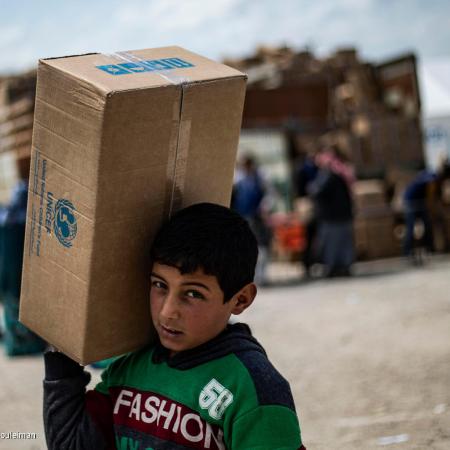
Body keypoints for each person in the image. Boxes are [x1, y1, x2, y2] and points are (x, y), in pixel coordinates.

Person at [43, 202, 306, 450]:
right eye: (159, 285)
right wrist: (61, 356)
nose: (167, 313)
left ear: (241, 299)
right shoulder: (132, 367)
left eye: (193, 294)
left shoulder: (253, 389)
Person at [0, 179, 47, 356]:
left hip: (9, 278)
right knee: (21, 313)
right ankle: (25, 345)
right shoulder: (24, 220)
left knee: (16, 312)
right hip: (18, 277)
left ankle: (18, 345)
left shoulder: (6, 218)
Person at [308, 147, 354, 277]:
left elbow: (318, 191)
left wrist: (311, 188)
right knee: (344, 244)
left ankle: (334, 268)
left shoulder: (328, 174)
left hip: (332, 217)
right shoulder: (342, 172)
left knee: (332, 245)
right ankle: (344, 266)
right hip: (343, 215)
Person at [231, 155, 271, 286]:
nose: (246, 167)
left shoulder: (261, 178)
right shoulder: (238, 179)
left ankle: (261, 276)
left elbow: (269, 196)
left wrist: (265, 207)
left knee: (261, 247)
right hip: (242, 217)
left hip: (257, 218)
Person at [402, 161, 450, 257]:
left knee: (427, 225)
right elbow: (430, 197)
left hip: (418, 201)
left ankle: (429, 249)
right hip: (412, 202)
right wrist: (433, 211)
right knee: (411, 228)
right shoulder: (432, 178)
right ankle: (407, 252)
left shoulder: (431, 175)